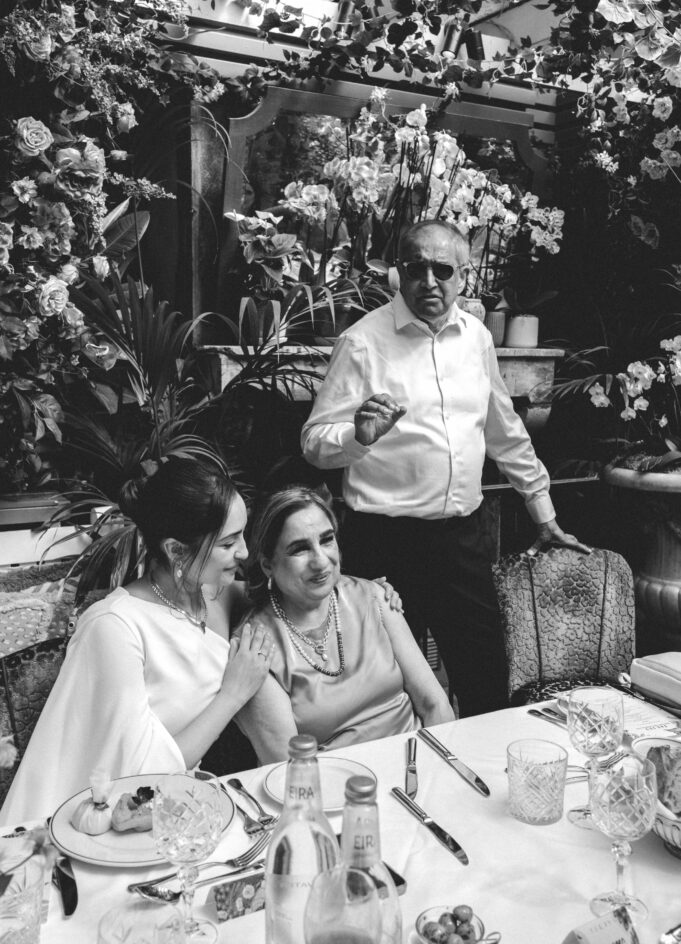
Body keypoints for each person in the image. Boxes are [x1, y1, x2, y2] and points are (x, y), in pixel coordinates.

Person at [301, 220, 589, 718]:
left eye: (443, 270)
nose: (429, 282)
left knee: (486, 679)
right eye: (416, 269)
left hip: (463, 540)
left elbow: (504, 430)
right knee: (387, 696)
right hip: (384, 543)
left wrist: (542, 511)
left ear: (463, 274)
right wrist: (357, 437)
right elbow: (313, 442)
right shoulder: (361, 342)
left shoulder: (476, 337)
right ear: (399, 272)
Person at [1, 456, 274, 823]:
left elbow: (285, 593)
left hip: (182, 809)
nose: (244, 552)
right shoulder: (115, 627)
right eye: (227, 543)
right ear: (176, 550)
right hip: (100, 819)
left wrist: (356, 591)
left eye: (242, 534)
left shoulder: (216, 595)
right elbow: (143, 775)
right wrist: (234, 694)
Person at [234, 486, 454, 764]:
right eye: (300, 549)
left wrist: (437, 770)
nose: (320, 561)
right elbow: (289, 766)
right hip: (336, 783)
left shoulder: (375, 597)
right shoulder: (256, 647)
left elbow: (435, 705)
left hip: (417, 764)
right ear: (268, 564)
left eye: (327, 540)